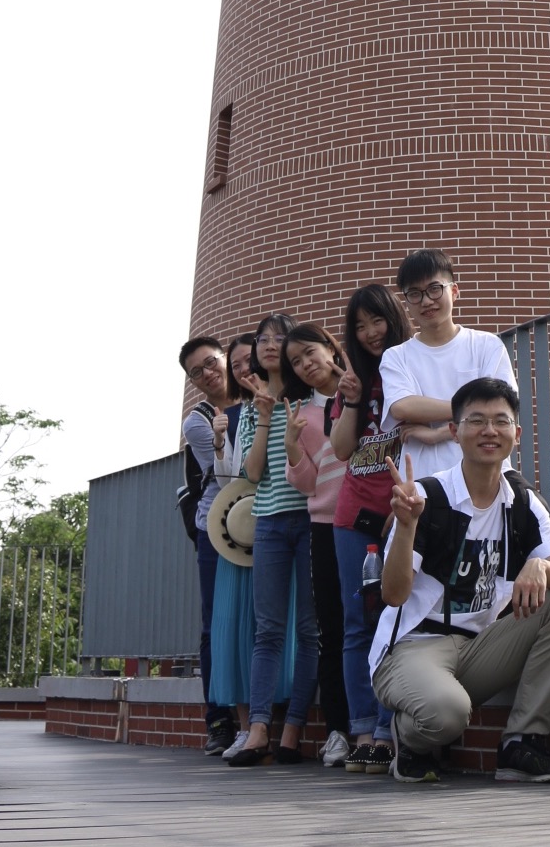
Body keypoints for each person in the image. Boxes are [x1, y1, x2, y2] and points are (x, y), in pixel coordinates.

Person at [371, 378, 550, 784]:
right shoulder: (426, 497)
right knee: (446, 714)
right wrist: (407, 526)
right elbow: (393, 595)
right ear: (455, 431)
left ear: (516, 434)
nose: (490, 430)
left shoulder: (522, 502)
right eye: (476, 421)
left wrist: (540, 568)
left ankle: (521, 743)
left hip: (478, 647)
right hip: (414, 646)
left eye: (501, 421)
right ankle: (409, 738)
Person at [219, 314, 319, 766]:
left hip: (312, 520)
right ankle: (259, 729)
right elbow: (254, 474)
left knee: (309, 629)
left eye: (281, 337)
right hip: (269, 522)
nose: (271, 344)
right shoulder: (249, 409)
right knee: (268, 629)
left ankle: (292, 730)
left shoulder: (312, 398)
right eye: (264, 339)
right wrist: (263, 418)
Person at [328, 284, 411, 774]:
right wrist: (354, 400)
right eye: (359, 326)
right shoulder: (352, 381)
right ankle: (363, 731)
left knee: (396, 616)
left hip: (404, 511)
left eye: (376, 320)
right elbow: (342, 450)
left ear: (393, 318)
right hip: (353, 516)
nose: (370, 333)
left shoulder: (411, 368)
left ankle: (386, 729)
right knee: (358, 622)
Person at [205, 333, 296, 761]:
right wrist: (218, 441)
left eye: (248, 360)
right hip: (237, 531)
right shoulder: (234, 415)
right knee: (234, 630)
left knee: (277, 627)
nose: (243, 368)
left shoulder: (286, 402)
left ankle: (278, 725)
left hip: (275, 523)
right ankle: (246, 726)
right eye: (237, 363)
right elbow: (231, 474)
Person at [379, 249, 518, 478]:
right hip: (423, 483)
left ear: (454, 291)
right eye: (414, 293)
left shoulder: (487, 345)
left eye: (434, 289)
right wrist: (473, 410)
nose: (426, 301)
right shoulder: (396, 356)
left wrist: (440, 433)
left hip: (485, 480)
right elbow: (402, 406)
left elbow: (499, 408)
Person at [280, 322, 352, 767]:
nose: (305, 364)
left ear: (330, 347)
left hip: (371, 519)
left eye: (310, 352)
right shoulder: (302, 416)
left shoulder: (362, 390)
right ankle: (340, 731)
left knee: (376, 621)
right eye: (296, 362)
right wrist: (292, 447)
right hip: (325, 524)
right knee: (333, 627)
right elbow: (308, 484)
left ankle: (381, 730)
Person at [177, 335, 238, 755]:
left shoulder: (259, 398)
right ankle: (219, 719)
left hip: (261, 520)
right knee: (215, 622)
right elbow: (229, 475)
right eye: (196, 372)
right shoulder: (198, 421)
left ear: (226, 357)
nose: (207, 373)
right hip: (216, 527)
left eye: (211, 362)